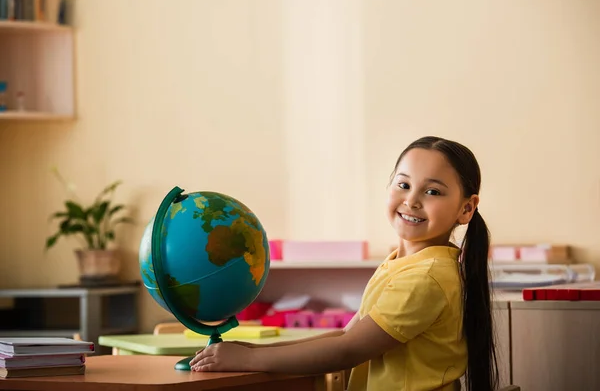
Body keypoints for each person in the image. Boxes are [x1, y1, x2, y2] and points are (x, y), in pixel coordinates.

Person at [190, 136, 499, 391]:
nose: (412, 200)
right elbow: (345, 335)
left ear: (466, 209)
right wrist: (251, 350)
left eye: (432, 191)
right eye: (403, 185)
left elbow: (347, 350)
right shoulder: (402, 264)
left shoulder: (425, 277)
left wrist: (247, 362)